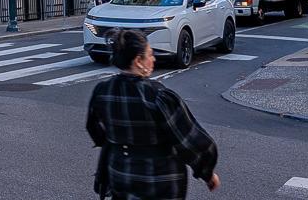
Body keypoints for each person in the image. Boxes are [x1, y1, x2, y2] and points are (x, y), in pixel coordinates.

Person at [86, 29, 219, 198]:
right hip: (158, 178)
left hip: (120, 173)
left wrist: (116, 142)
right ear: (138, 61)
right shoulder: (158, 97)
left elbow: (93, 128)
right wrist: (207, 173)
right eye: (150, 54)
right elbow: (190, 140)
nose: (153, 59)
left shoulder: (103, 91)